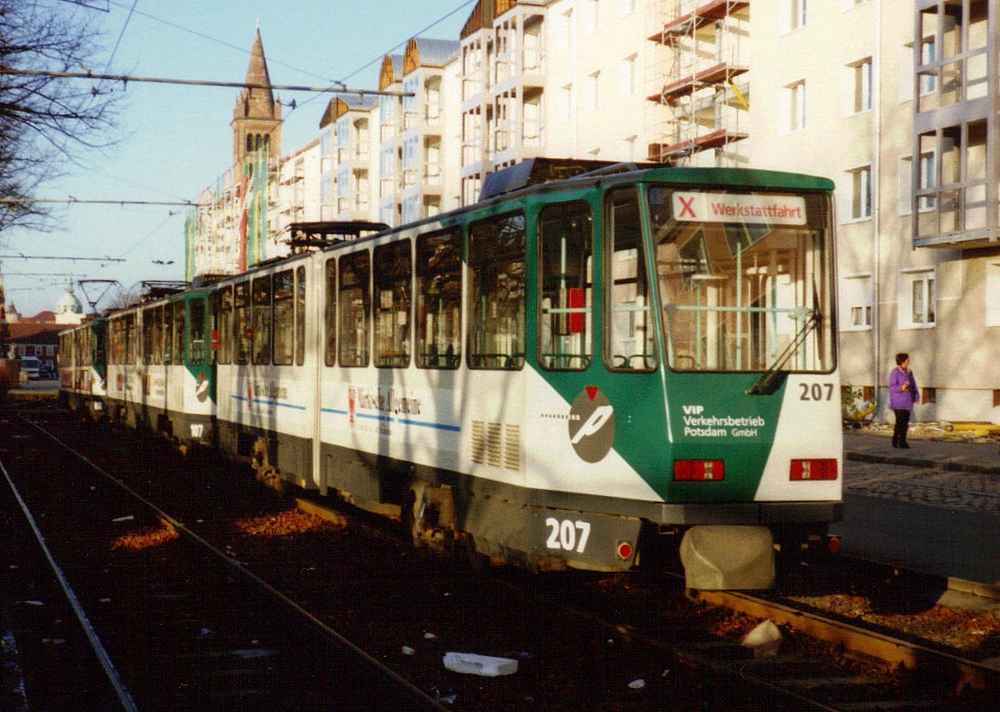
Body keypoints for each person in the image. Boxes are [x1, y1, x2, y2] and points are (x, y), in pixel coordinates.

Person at [888, 352, 919, 449]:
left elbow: (913, 385)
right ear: (902, 361)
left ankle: (903, 441)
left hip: (907, 401)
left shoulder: (909, 372)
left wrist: (916, 396)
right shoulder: (895, 372)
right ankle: (895, 440)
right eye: (907, 359)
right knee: (900, 421)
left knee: (905, 422)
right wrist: (901, 387)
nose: (908, 361)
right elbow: (892, 386)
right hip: (898, 401)